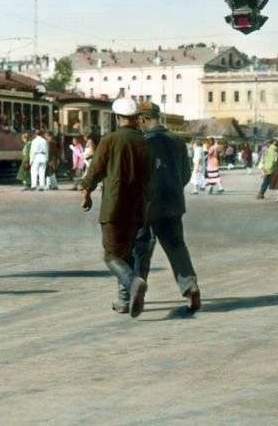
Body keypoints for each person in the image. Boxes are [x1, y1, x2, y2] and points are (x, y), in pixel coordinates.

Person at [112, 101, 200, 314]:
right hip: (173, 204)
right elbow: (185, 174)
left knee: (138, 250)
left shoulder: (141, 142)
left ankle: (129, 296)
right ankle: (190, 287)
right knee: (176, 245)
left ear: (142, 119)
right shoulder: (177, 140)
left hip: (145, 205)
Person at [80, 98, 152, 318]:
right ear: (136, 118)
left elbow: (95, 169)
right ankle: (124, 301)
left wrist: (86, 192)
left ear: (118, 117)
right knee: (127, 253)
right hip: (138, 207)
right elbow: (151, 177)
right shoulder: (144, 142)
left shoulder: (110, 140)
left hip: (114, 206)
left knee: (112, 255)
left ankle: (133, 283)